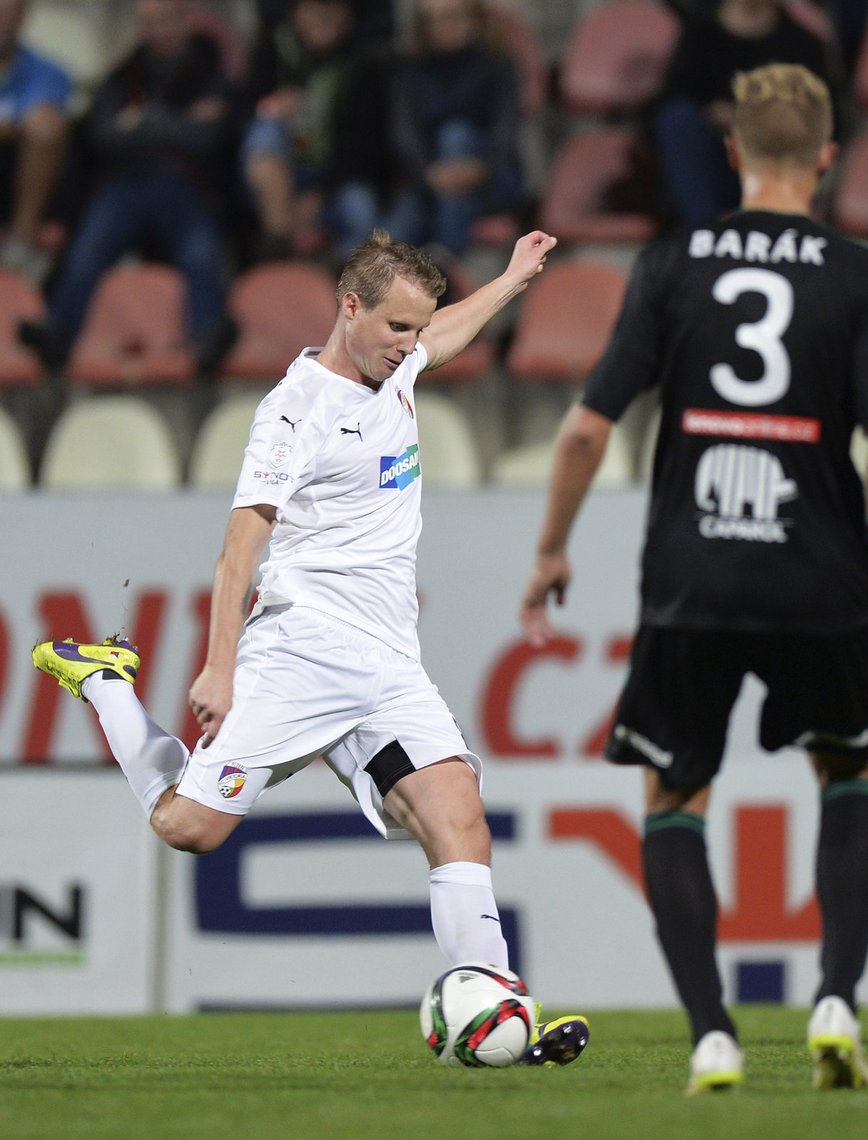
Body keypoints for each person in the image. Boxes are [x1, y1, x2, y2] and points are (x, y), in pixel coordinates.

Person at [32, 226, 589, 1068]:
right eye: (397, 328)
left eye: (416, 330)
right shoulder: (293, 413)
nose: (410, 347)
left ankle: (497, 1012)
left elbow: (443, 336)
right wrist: (219, 667)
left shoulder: (396, 362)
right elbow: (238, 552)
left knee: (459, 819)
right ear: (350, 306)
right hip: (298, 654)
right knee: (189, 827)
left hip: (389, 663)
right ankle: (107, 684)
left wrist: (512, 279)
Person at [519, 63, 868, 1093]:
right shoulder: (866, 275)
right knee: (851, 772)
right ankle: (835, 1001)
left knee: (674, 794)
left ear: (733, 153)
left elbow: (584, 432)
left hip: (693, 575)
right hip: (821, 572)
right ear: (828, 160)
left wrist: (553, 548)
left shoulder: (670, 264)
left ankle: (712, 1034)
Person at [18, 0, 238, 379]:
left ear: (187, 21)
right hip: (125, 184)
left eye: (165, 20)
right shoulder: (123, 75)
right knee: (87, 249)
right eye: (148, 22)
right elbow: (102, 135)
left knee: (200, 250)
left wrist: (145, 121)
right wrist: (175, 125)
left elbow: (208, 138)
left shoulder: (211, 72)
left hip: (183, 184)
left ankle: (207, 336)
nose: (157, 31)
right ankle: (57, 335)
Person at [650, 0, 831, 231]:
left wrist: (750, 119)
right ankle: (702, 231)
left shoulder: (803, 45)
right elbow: (668, 103)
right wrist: (713, 115)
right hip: (712, 164)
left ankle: (775, 222)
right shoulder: (700, 36)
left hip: (771, 167)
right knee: (677, 118)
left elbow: (822, 122)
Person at [240, 0, 396, 264]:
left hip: (337, 177)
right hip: (279, 176)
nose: (320, 17)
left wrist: (319, 195)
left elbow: (365, 149)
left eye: (330, 9)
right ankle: (279, 244)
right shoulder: (273, 51)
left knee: (360, 209)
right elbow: (237, 117)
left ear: (347, 16)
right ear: (295, 14)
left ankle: (350, 282)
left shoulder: (365, 64)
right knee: (265, 128)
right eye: (310, 8)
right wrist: (270, 106)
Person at [386, 0, 524, 256]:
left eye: (451, 17)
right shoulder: (412, 69)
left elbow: (505, 133)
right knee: (392, 237)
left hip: (490, 178)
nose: (442, 27)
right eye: (432, 20)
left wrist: (479, 169)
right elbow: (405, 134)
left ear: (474, 19)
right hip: (431, 179)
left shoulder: (497, 64)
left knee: (455, 134)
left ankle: (446, 257)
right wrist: (430, 174)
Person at [0, 0, 72, 282]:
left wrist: (11, 130)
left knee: (45, 129)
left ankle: (20, 244)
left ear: (22, 18)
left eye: (6, 15)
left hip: (16, 178)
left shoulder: (45, 71)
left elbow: (42, 123)